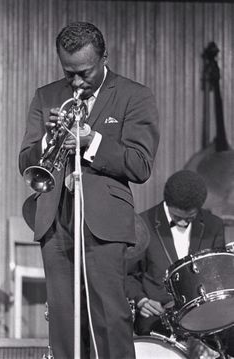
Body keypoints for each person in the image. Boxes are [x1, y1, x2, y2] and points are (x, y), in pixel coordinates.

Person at [19, 22, 159, 359]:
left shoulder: (134, 95)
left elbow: (140, 164)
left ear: (104, 58)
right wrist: (49, 140)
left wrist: (91, 141)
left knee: (110, 317)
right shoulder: (47, 96)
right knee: (63, 322)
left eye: (85, 72)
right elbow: (25, 161)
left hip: (105, 223)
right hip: (56, 221)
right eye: (69, 73)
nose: (77, 81)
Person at [126, 169, 234, 357]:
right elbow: (127, 275)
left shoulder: (213, 224)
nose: (183, 223)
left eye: (189, 218)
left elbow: (217, 275)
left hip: (205, 314)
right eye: (177, 218)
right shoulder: (142, 223)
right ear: (167, 204)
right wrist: (141, 300)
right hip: (157, 313)